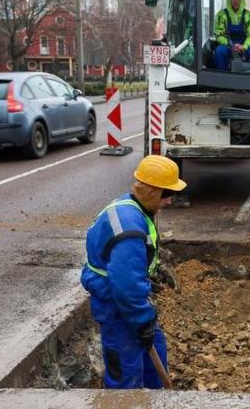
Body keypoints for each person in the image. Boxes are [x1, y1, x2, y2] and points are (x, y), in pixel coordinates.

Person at [81, 155, 187, 389]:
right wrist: (141, 321)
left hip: (128, 303)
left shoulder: (132, 206)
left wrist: (145, 321)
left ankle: (155, 397)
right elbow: (127, 285)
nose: (170, 201)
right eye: (167, 194)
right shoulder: (129, 229)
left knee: (154, 348)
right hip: (117, 307)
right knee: (125, 375)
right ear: (150, 191)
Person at [214, 0, 250, 71]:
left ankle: (249, 73)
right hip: (227, 44)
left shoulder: (249, 15)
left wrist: (244, 47)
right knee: (219, 51)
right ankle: (223, 75)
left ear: (241, 0)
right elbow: (219, 35)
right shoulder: (221, 15)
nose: (236, 1)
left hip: (244, 45)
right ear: (229, 0)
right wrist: (231, 45)